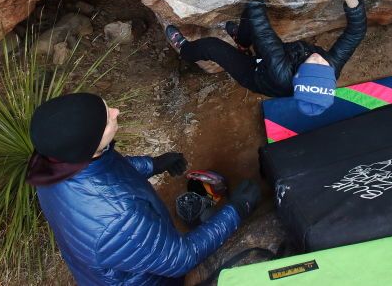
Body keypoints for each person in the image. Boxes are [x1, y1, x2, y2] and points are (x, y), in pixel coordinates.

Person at [25, 92, 261, 286]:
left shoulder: (53, 165)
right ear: (89, 145)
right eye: (107, 118)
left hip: (101, 264)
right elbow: (180, 258)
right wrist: (237, 209)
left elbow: (108, 170)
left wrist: (154, 164)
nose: (116, 112)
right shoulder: (118, 219)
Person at [165, 0, 367, 115]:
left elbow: (265, 36)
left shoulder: (281, 73)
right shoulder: (330, 66)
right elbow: (355, 34)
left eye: (312, 66)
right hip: (276, 59)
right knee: (249, 16)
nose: (318, 58)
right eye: (323, 66)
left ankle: (184, 49)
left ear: (298, 75)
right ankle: (242, 43)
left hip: (255, 74)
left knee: (212, 46)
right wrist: (352, 1)